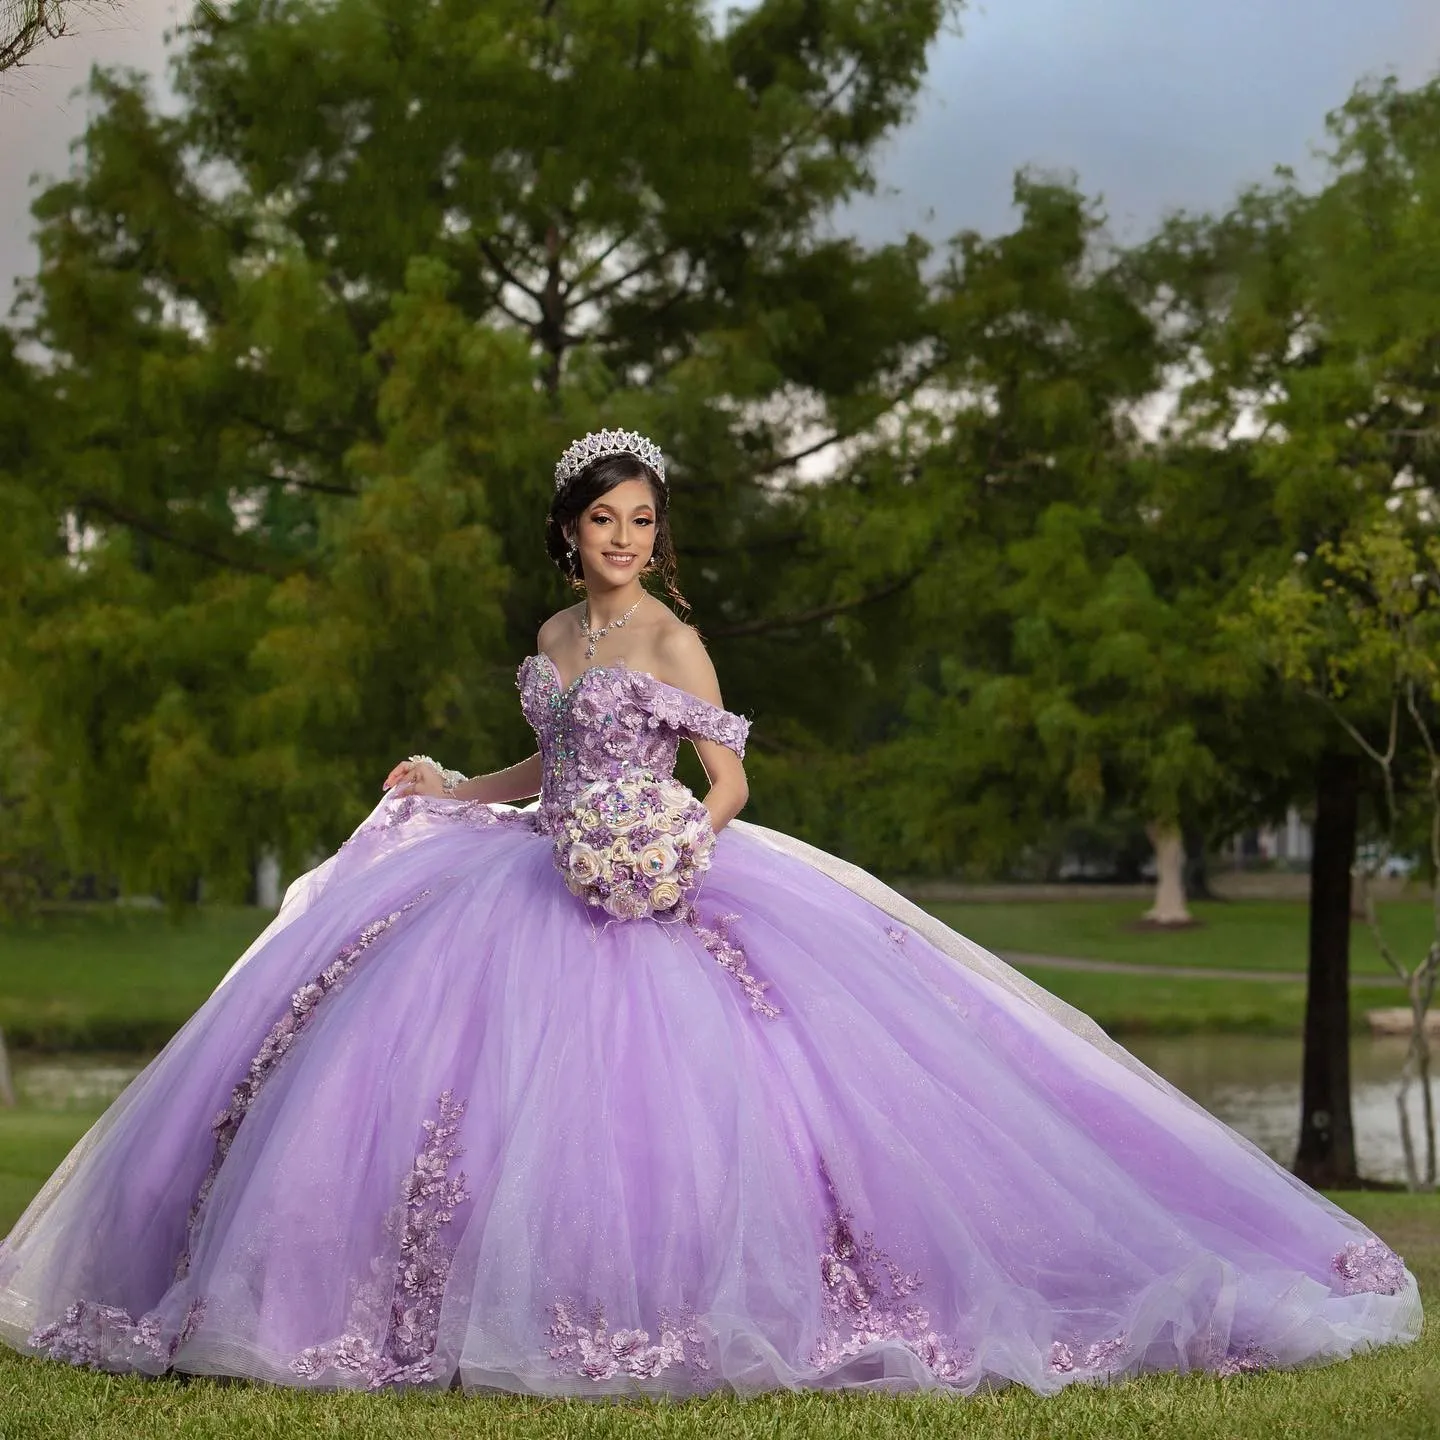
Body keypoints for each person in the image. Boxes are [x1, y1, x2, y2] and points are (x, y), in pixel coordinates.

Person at [0, 430, 1422, 1398]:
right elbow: (543, 766)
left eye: (643, 522)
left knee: (718, 1107)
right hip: (533, 870)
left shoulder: (675, 635)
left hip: (668, 879)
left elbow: (729, 770)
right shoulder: (553, 642)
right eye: (604, 521)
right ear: (567, 537)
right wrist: (456, 785)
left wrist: (684, 834)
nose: (625, 539)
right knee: (413, 1074)